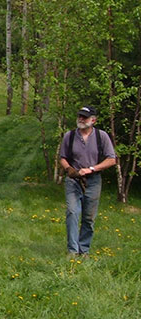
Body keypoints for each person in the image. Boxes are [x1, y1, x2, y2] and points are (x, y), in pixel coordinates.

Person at [58, 105, 116, 259]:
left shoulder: (101, 136)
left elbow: (111, 160)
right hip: (73, 180)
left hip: (93, 180)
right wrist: (69, 169)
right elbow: (62, 157)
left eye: (84, 117)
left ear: (93, 120)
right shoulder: (69, 136)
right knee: (72, 212)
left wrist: (91, 169)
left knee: (89, 218)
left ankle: (84, 250)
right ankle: (72, 251)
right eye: (79, 116)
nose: (81, 119)